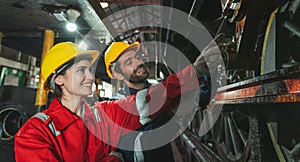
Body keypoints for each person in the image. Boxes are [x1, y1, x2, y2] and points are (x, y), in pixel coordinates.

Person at [14, 40, 220, 161]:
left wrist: (193, 72)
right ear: (58, 79)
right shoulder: (34, 133)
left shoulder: (103, 113)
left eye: (89, 70)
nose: (89, 77)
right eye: (81, 70)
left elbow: (149, 101)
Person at [104, 42, 175, 162]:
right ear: (117, 74)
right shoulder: (116, 107)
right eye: (129, 62)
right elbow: (133, 149)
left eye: (137, 57)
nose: (139, 63)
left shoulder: (160, 90)